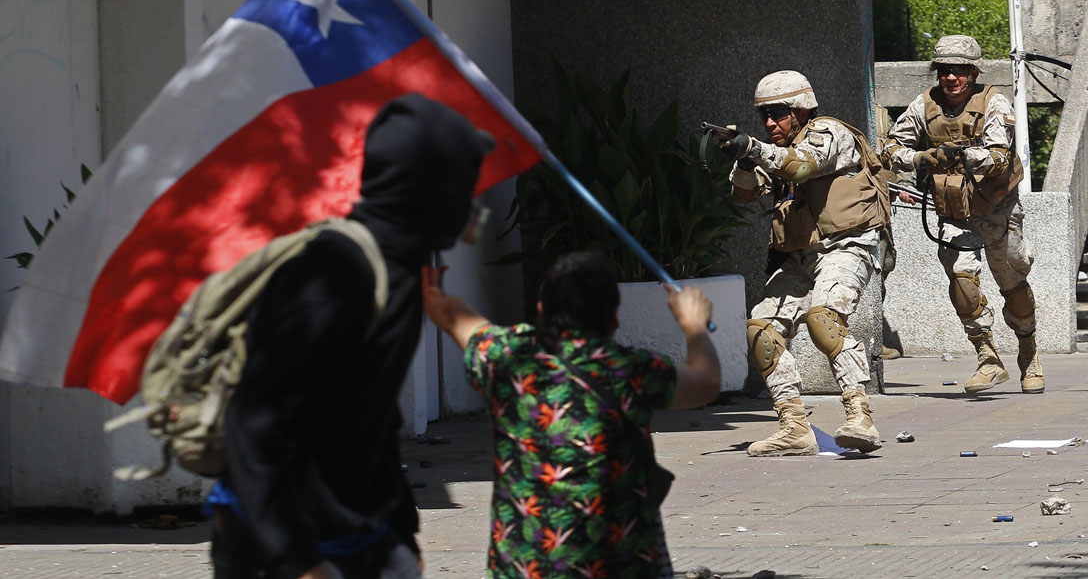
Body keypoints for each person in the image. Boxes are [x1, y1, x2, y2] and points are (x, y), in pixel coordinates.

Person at [209, 94, 495, 579]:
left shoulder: (402, 272)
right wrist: (297, 559)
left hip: (361, 538)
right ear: (430, 186)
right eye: (463, 183)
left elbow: (374, 414)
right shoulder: (332, 273)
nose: (470, 203)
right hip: (279, 545)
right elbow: (254, 419)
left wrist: (400, 533)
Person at [422, 250, 721, 578]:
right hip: (619, 565)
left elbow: (452, 316)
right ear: (614, 319)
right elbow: (706, 383)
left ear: (541, 310)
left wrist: (432, 290)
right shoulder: (631, 370)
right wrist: (693, 325)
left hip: (523, 567)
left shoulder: (505, 357)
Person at [722, 69, 890, 456]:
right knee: (761, 332)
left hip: (846, 246)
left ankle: (859, 415)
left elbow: (801, 166)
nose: (769, 123)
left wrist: (754, 148)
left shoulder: (828, 134)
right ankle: (793, 427)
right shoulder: (770, 150)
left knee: (824, 319)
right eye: (763, 115)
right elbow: (745, 193)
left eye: (778, 113)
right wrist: (743, 157)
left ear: (800, 110)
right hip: (797, 256)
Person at [881, 34, 1044, 395]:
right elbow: (892, 147)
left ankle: (1028, 350)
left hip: (998, 211)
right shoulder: (924, 105)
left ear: (973, 72)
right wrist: (921, 159)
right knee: (962, 281)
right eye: (943, 71)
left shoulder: (993, 102)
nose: (950, 78)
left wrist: (967, 156)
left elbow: (1000, 155)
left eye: (958, 71)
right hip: (954, 211)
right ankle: (987, 357)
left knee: (1013, 285)